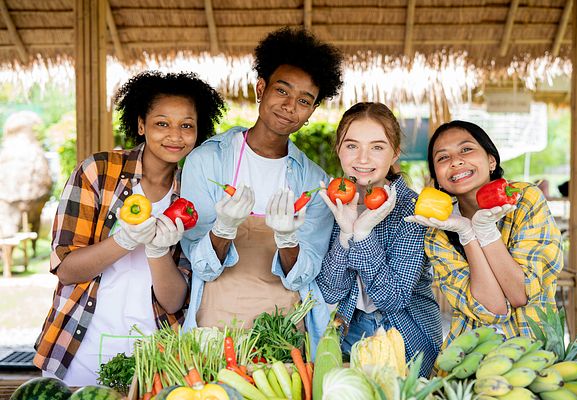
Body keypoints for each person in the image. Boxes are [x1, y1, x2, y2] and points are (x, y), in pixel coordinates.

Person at [34, 71, 225, 385]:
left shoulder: (195, 194)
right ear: (141, 125)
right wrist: (123, 240)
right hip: (81, 347)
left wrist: (157, 251)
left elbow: (175, 301)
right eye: (162, 123)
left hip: (155, 357)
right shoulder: (98, 171)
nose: (175, 136)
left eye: (186, 125)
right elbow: (66, 269)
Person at [180, 27, 343, 352]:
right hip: (215, 322)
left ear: (311, 112)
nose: (289, 106)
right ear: (261, 88)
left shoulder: (314, 182)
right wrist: (223, 228)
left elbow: (301, 276)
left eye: (304, 101)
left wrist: (287, 240)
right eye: (282, 91)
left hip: (284, 329)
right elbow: (200, 264)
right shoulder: (207, 160)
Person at [405, 120, 563, 349]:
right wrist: (467, 233)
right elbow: (493, 310)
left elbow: (521, 295)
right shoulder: (436, 232)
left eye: (466, 149)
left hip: (537, 353)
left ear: (491, 160)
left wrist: (486, 232)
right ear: (437, 178)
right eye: (442, 158)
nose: (456, 161)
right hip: (468, 359)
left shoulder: (525, 200)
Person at [315, 102, 443, 377]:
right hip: (348, 327)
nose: (363, 159)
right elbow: (330, 292)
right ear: (338, 149)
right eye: (351, 146)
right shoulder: (333, 202)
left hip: (407, 334)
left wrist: (362, 236)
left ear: (394, 153)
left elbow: (393, 297)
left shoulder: (412, 209)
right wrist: (346, 234)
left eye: (377, 147)